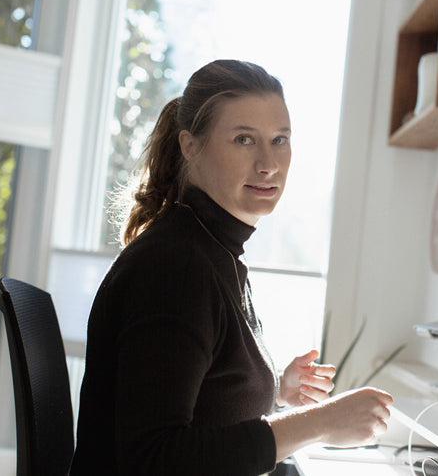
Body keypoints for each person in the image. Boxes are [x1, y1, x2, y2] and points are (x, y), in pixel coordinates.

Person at [69, 59, 393, 475]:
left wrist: (271, 389)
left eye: (280, 139)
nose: (268, 163)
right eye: (243, 139)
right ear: (190, 145)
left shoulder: (209, 251)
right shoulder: (176, 267)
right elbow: (154, 457)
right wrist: (320, 424)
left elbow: (193, 396)